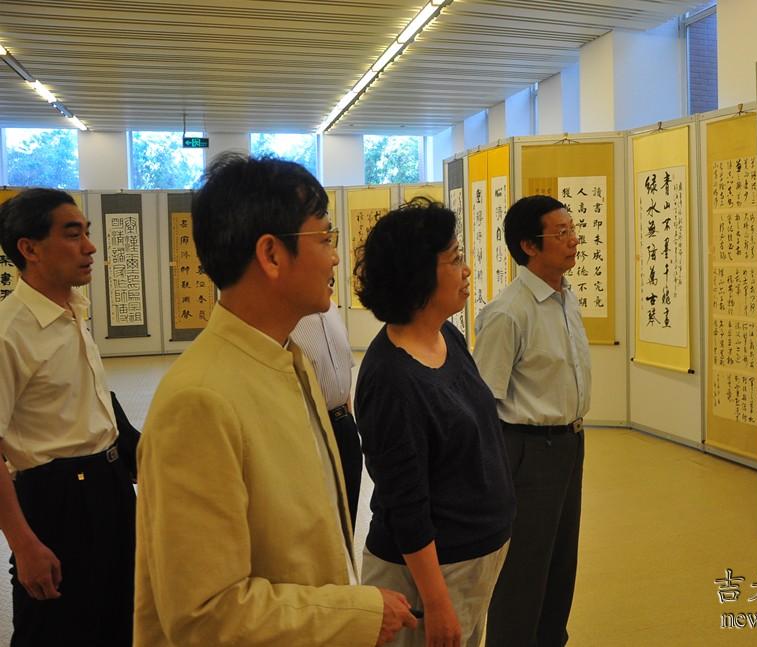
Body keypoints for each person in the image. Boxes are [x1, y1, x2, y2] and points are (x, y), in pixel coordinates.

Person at [134, 154, 417, 646]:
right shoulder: (199, 401)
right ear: (271, 254)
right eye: (324, 238)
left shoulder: (287, 359)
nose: (335, 258)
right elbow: (205, 615)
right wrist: (354, 614)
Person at [354, 198, 516, 647]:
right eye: (455, 259)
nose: (467, 271)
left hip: (471, 561)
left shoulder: (447, 335)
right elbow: (405, 502)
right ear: (419, 274)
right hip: (426, 579)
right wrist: (437, 601)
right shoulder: (391, 377)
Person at [0, 188, 136, 646]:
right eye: (73, 234)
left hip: (110, 484)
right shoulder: (9, 332)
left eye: (87, 233)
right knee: (54, 630)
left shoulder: (75, 309)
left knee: (119, 617)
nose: (90, 247)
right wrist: (24, 544)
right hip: (55, 500)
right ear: (30, 248)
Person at [474, 195, 592, 647]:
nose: (574, 239)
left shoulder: (566, 298)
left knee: (561, 562)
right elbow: (484, 403)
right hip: (526, 451)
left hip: (569, 445)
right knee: (523, 570)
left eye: (573, 229)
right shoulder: (508, 312)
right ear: (528, 245)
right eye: (561, 233)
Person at [290, 300, 363, 529]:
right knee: (321, 526)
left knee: (348, 516)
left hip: (343, 425)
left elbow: (342, 368)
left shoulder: (331, 309)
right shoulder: (288, 316)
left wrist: (347, 418)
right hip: (310, 433)